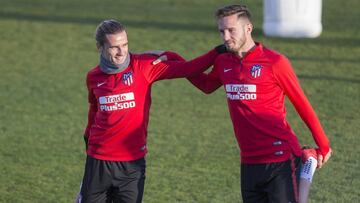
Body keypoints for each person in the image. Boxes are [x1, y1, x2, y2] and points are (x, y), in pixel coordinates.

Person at [186, 4, 332, 203]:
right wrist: (177, 62)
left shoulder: (275, 63)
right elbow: (206, 85)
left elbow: (302, 104)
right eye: (222, 31)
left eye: (231, 30)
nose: (226, 37)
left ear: (248, 28)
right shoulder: (223, 62)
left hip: (280, 160)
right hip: (249, 163)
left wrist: (323, 145)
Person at [76, 19, 226, 203]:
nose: (122, 52)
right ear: (100, 47)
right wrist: (87, 136)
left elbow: (189, 68)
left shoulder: (143, 67)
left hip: (132, 164)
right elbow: (94, 109)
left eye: (125, 44)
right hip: (99, 161)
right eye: (115, 47)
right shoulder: (93, 77)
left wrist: (218, 51)